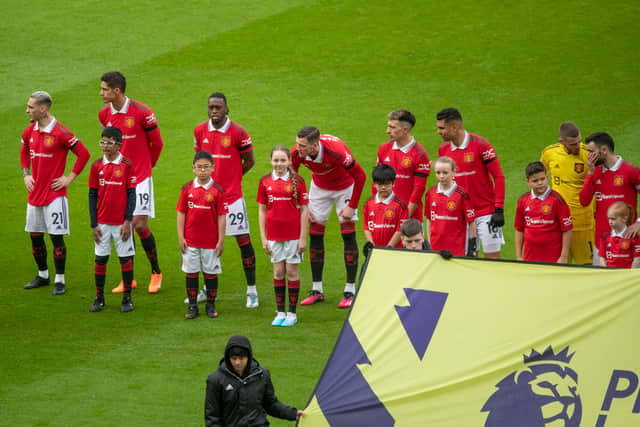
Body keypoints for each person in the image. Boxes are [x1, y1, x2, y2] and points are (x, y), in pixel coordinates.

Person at [99, 71, 164, 293]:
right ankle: (130, 279)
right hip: (118, 179)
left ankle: (156, 272)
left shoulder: (142, 113)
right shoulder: (103, 114)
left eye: (105, 89)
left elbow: (158, 143)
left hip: (141, 177)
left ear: (117, 91)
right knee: (122, 226)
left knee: (138, 224)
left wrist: (147, 166)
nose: (101, 93)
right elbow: (107, 146)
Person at [20, 91, 90, 295]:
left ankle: (60, 280)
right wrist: (26, 174)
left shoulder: (60, 132)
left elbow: (83, 154)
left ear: (43, 109)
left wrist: (69, 178)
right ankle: (42, 275)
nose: (27, 110)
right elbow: (24, 150)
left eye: (31, 107)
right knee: (35, 236)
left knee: (56, 237)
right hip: (34, 195)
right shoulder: (29, 132)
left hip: (54, 197)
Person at [193, 92, 258, 308]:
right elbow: (199, 162)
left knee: (243, 241)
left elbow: (249, 161)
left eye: (218, 107)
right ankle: (208, 289)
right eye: (211, 107)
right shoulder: (200, 130)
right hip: (207, 199)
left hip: (232, 198)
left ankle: (252, 291)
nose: (214, 111)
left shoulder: (238, 132)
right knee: (207, 244)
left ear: (226, 108)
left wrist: (233, 179)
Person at [291, 126, 366, 308]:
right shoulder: (296, 153)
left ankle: (350, 290)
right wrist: (302, 203)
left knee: (348, 235)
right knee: (315, 234)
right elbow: (294, 176)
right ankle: (317, 289)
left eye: (302, 146)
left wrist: (352, 206)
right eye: (297, 144)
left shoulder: (336, 152)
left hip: (344, 188)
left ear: (314, 145)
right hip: (319, 189)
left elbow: (360, 176)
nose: (298, 149)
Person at [436, 108, 505, 258]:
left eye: (441, 128)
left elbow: (498, 176)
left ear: (454, 127)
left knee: (493, 261)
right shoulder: (443, 149)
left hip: (486, 214)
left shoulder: (481, 145)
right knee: (467, 259)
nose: (438, 132)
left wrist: (498, 209)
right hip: (462, 215)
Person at [257, 146, 309, 327]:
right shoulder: (264, 182)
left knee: (292, 272)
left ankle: (292, 313)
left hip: (293, 236)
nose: (279, 164)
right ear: (271, 161)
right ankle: (280, 312)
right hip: (273, 235)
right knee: (278, 272)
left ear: (289, 162)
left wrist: (303, 237)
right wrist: (263, 238)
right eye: (276, 160)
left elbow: (304, 210)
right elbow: (262, 210)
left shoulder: (298, 181)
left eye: (282, 160)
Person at [88, 127, 136, 313]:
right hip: (102, 223)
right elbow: (92, 195)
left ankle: (127, 298)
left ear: (119, 145)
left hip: (121, 224)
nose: (105, 146)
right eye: (102, 142)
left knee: (125, 260)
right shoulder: (96, 166)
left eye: (109, 142)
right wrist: (93, 223)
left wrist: (127, 221)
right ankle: (99, 297)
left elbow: (131, 194)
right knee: (100, 259)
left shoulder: (127, 165)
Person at [205, 335, 304, 426]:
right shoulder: (215, 380)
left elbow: (270, 404)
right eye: (233, 358)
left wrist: (292, 413)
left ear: (249, 357)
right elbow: (212, 417)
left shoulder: (262, 375)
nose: (237, 362)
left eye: (241, 358)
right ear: (228, 358)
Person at [177, 151, 227, 319]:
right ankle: (192, 306)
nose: (203, 170)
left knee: (210, 273)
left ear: (212, 168)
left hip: (211, 242)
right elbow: (181, 213)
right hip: (190, 241)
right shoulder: (187, 189)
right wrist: (180, 236)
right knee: (191, 272)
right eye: (199, 167)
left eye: (206, 167)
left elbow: (221, 216)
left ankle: (211, 305)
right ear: (193, 168)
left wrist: (221, 240)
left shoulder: (218, 190)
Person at [579, 131, 640, 262]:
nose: (587, 155)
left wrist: (638, 223)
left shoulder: (630, 171)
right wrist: (589, 173)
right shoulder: (595, 172)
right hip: (601, 246)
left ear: (604, 150)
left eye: (591, 151)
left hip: (627, 245)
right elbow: (584, 201)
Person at [541, 122, 594, 264]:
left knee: (588, 267)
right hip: (558, 222)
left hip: (583, 222)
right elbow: (540, 176)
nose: (577, 146)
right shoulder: (549, 153)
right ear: (561, 141)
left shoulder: (588, 154)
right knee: (560, 266)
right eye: (573, 144)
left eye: (579, 142)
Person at [376, 109, 430, 221]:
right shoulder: (384, 149)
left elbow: (418, 189)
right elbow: (376, 181)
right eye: (388, 126)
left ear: (405, 129)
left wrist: (405, 216)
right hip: (385, 215)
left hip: (409, 218)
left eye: (392, 127)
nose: (387, 131)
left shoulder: (420, 154)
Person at [515, 161, 573, 263]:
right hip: (530, 257)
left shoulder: (557, 200)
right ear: (528, 181)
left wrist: (564, 256)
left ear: (547, 177)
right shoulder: (523, 201)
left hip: (553, 257)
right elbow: (519, 229)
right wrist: (519, 256)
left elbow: (567, 229)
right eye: (535, 180)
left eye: (542, 179)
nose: (540, 183)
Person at [425, 157, 477, 257]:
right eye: (438, 172)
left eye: (445, 173)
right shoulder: (431, 193)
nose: (441, 176)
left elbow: (471, 222)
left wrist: (472, 247)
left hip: (457, 250)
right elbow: (429, 220)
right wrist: (430, 243)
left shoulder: (462, 195)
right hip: (435, 249)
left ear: (454, 172)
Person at [363, 164, 408, 249]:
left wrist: (389, 247)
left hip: (394, 250)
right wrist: (372, 245)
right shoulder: (368, 204)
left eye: (387, 184)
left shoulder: (400, 205)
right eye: (380, 184)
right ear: (374, 184)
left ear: (393, 183)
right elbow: (366, 227)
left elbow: (400, 229)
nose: (383, 187)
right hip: (375, 250)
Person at [598, 202, 640, 268]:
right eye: (609, 218)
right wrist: (606, 272)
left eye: (613, 219)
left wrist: (630, 274)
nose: (610, 222)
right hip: (610, 274)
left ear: (624, 219)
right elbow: (602, 258)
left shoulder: (634, 237)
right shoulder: (605, 237)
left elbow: (636, 260)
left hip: (627, 275)